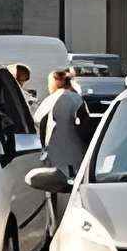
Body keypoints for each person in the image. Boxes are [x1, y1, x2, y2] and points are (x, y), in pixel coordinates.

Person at [38, 68, 89, 209]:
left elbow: (40, 122)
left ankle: (54, 221)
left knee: (52, 185)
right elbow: (85, 123)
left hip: (53, 148)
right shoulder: (76, 98)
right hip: (74, 148)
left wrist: (44, 145)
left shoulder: (49, 100)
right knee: (74, 185)